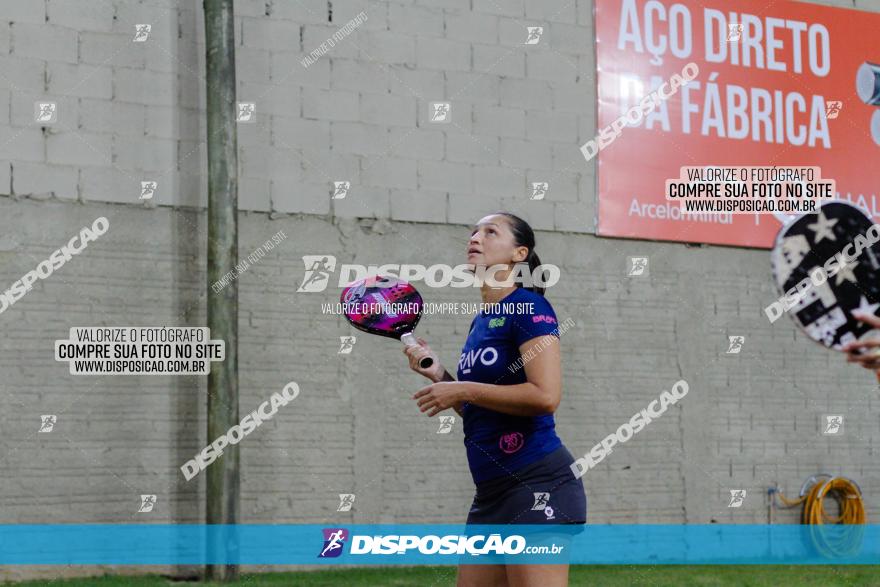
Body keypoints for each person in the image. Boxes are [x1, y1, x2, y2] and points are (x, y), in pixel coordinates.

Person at [403, 212, 586, 587]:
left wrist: (464, 388)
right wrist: (441, 376)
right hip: (491, 493)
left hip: (537, 484)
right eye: (473, 231)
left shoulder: (530, 309)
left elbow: (546, 396)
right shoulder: (482, 321)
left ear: (520, 254)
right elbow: (478, 409)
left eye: (490, 231)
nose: (476, 237)